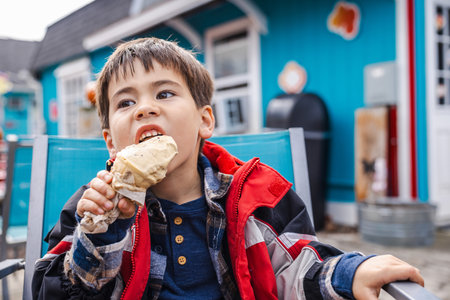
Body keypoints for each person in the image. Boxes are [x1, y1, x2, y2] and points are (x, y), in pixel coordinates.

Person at [32, 37, 423, 300]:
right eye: (125, 103)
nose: (145, 108)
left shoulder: (255, 197)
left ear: (205, 121)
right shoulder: (92, 210)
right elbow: (58, 290)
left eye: (165, 93)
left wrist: (347, 273)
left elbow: (296, 265)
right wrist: (101, 233)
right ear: (110, 141)